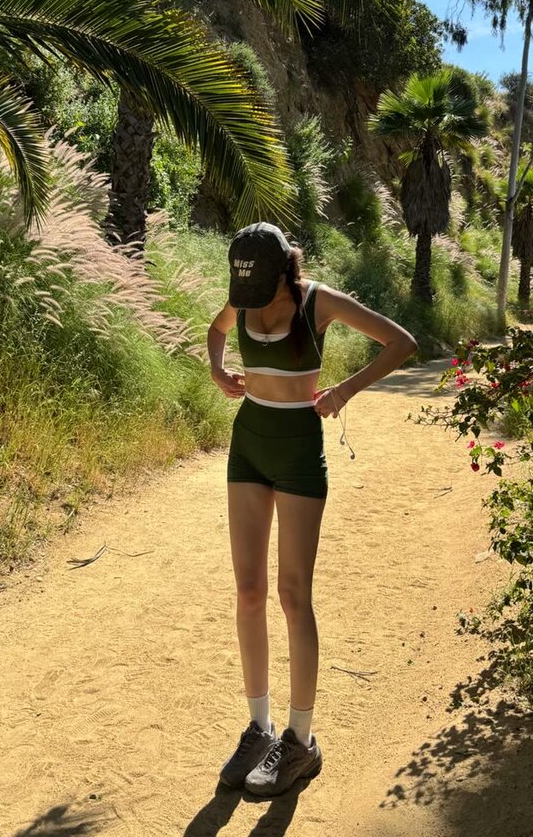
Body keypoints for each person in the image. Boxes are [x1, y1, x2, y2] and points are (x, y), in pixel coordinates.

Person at [207, 222, 418, 797]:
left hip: (300, 453)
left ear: (286, 270)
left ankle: (300, 742)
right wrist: (217, 369)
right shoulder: (246, 290)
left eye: (260, 288)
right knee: (249, 592)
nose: (249, 300)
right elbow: (217, 329)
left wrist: (345, 390)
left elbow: (401, 342)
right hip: (248, 446)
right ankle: (259, 728)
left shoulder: (318, 302)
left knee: (293, 595)